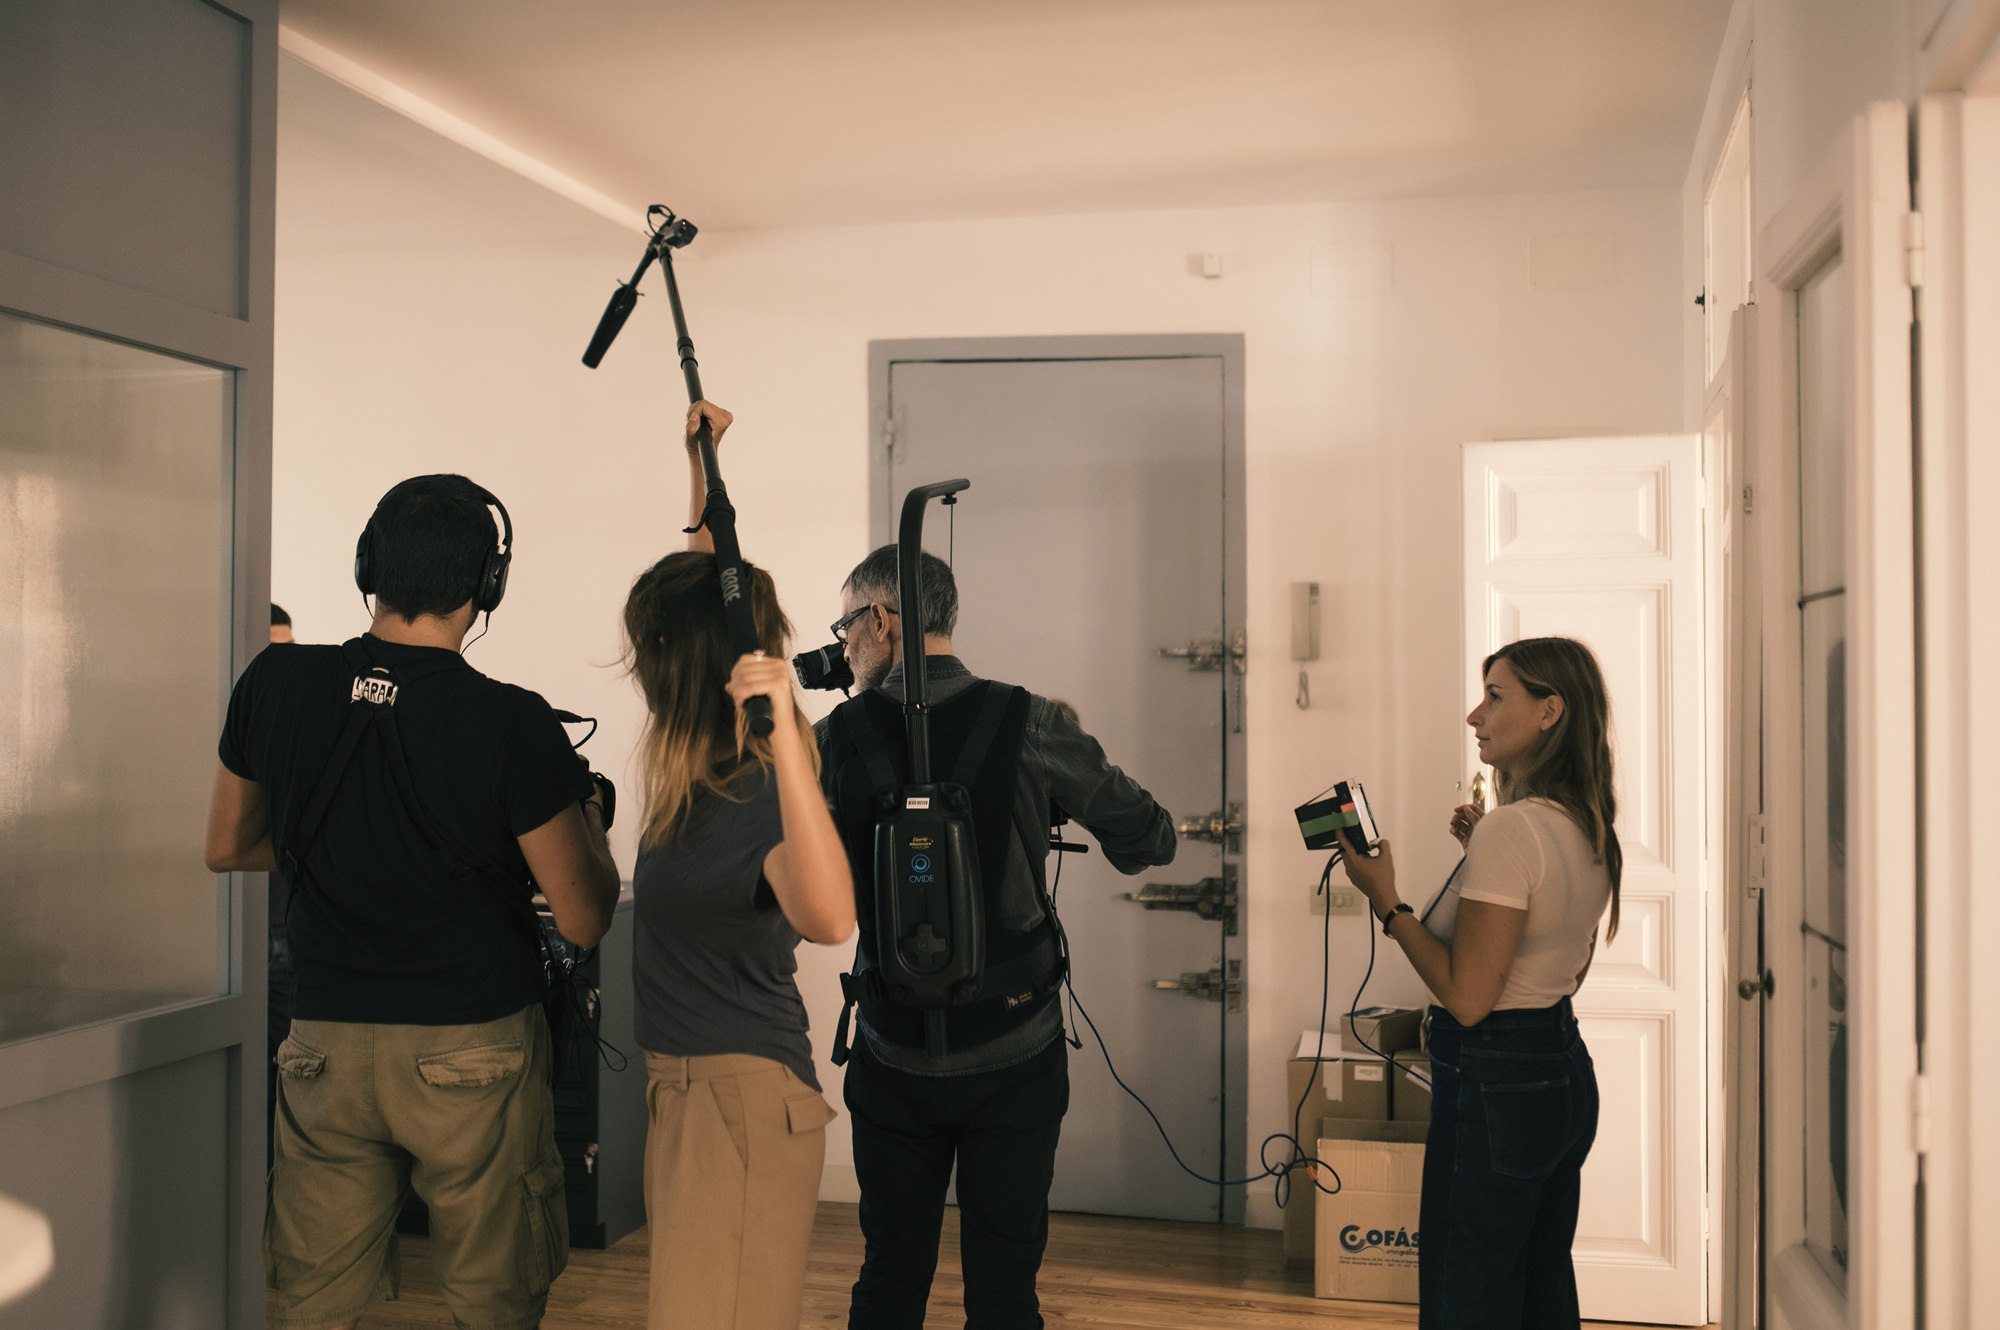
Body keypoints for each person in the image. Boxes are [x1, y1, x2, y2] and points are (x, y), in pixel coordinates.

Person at [204, 475, 621, 1330]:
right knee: (493, 1301)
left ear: (369, 566)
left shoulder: (273, 682)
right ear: (487, 585)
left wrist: (357, 849)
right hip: (474, 1048)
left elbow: (229, 846)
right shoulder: (512, 721)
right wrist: (586, 815)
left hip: (323, 1045)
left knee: (317, 1305)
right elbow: (583, 917)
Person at [819, 544, 1178, 1330]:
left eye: (847, 628)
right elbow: (1150, 839)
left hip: (891, 1050)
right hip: (1014, 1051)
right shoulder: (1031, 721)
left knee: (888, 1277)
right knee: (1005, 1289)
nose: (843, 648)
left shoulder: (834, 736)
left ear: (881, 619)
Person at [623, 401, 854, 1330]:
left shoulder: (764, 784)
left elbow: (831, 920)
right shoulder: (693, 761)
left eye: (649, 648)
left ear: (673, 662)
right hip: (681, 1091)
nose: (637, 662)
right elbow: (715, 599)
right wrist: (704, 466)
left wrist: (789, 732)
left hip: (742, 1101)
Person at [1333, 636, 1617, 1330]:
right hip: (1562, 1071)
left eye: (1494, 696)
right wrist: (1481, 852)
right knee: (1540, 1288)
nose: (1474, 715)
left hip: (1496, 1081)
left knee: (1467, 1297)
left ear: (1549, 710)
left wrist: (1387, 901)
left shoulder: (1513, 832)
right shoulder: (1588, 826)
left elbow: (1467, 998)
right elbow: (1565, 969)